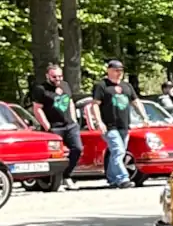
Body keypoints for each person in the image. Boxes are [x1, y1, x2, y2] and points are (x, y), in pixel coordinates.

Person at [30, 61, 82, 187]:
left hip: (70, 125)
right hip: (54, 127)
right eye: (54, 77)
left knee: (77, 149)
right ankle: (54, 182)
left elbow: (70, 102)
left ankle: (66, 175)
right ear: (48, 76)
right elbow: (37, 108)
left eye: (60, 76)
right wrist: (47, 126)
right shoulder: (40, 89)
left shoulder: (65, 85)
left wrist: (74, 119)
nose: (57, 79)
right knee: (55, 155)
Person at [90, 60, 139, 188]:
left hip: (124, 125)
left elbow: (136, 102)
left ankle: (112, 179)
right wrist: (99, 122)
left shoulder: (127, 86)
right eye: (116, 70)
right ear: (109, 70)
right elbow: (95, 105)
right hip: (109, 126)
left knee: (115, 153)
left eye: (121, 70)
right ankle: (123, 179)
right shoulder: (102, 86)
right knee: (119, 151)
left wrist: (144, 116)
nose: (119, 73)